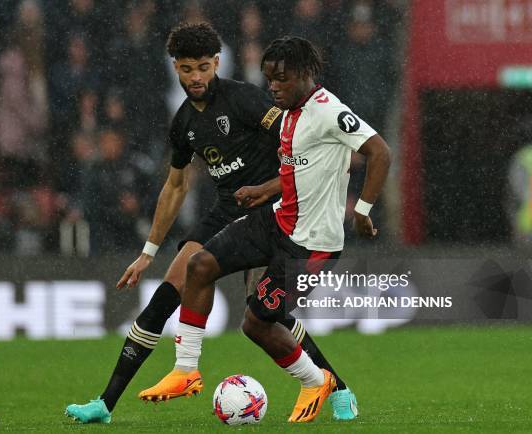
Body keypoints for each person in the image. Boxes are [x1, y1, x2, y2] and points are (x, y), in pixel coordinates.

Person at [66, 23, 355, 424]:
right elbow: (176, 184)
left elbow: (298, 133)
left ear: (217, 63)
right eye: (187, 69)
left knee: (269, 316)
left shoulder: (244, 99)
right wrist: (148, 252)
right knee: (163, 299)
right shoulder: (183, 122)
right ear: (175, 69)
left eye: (203, 67)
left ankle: (337, 388)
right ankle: (105, 404)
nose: (196, 77)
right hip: (224, 212)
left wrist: (287, 185)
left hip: (270, 209)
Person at [141, 36, 390, 423]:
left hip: (311, 245)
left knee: (256, 322)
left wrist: (362, 211)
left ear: (305, 75)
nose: (272, 86)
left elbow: (379, 151)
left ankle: (315, 381)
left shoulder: (328, 111)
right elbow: (299, 170)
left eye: (281, 79)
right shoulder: (289, 111)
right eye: (269, 78)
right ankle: (186, 370)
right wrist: (264, 189)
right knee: (200, 264)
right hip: (276, 220)